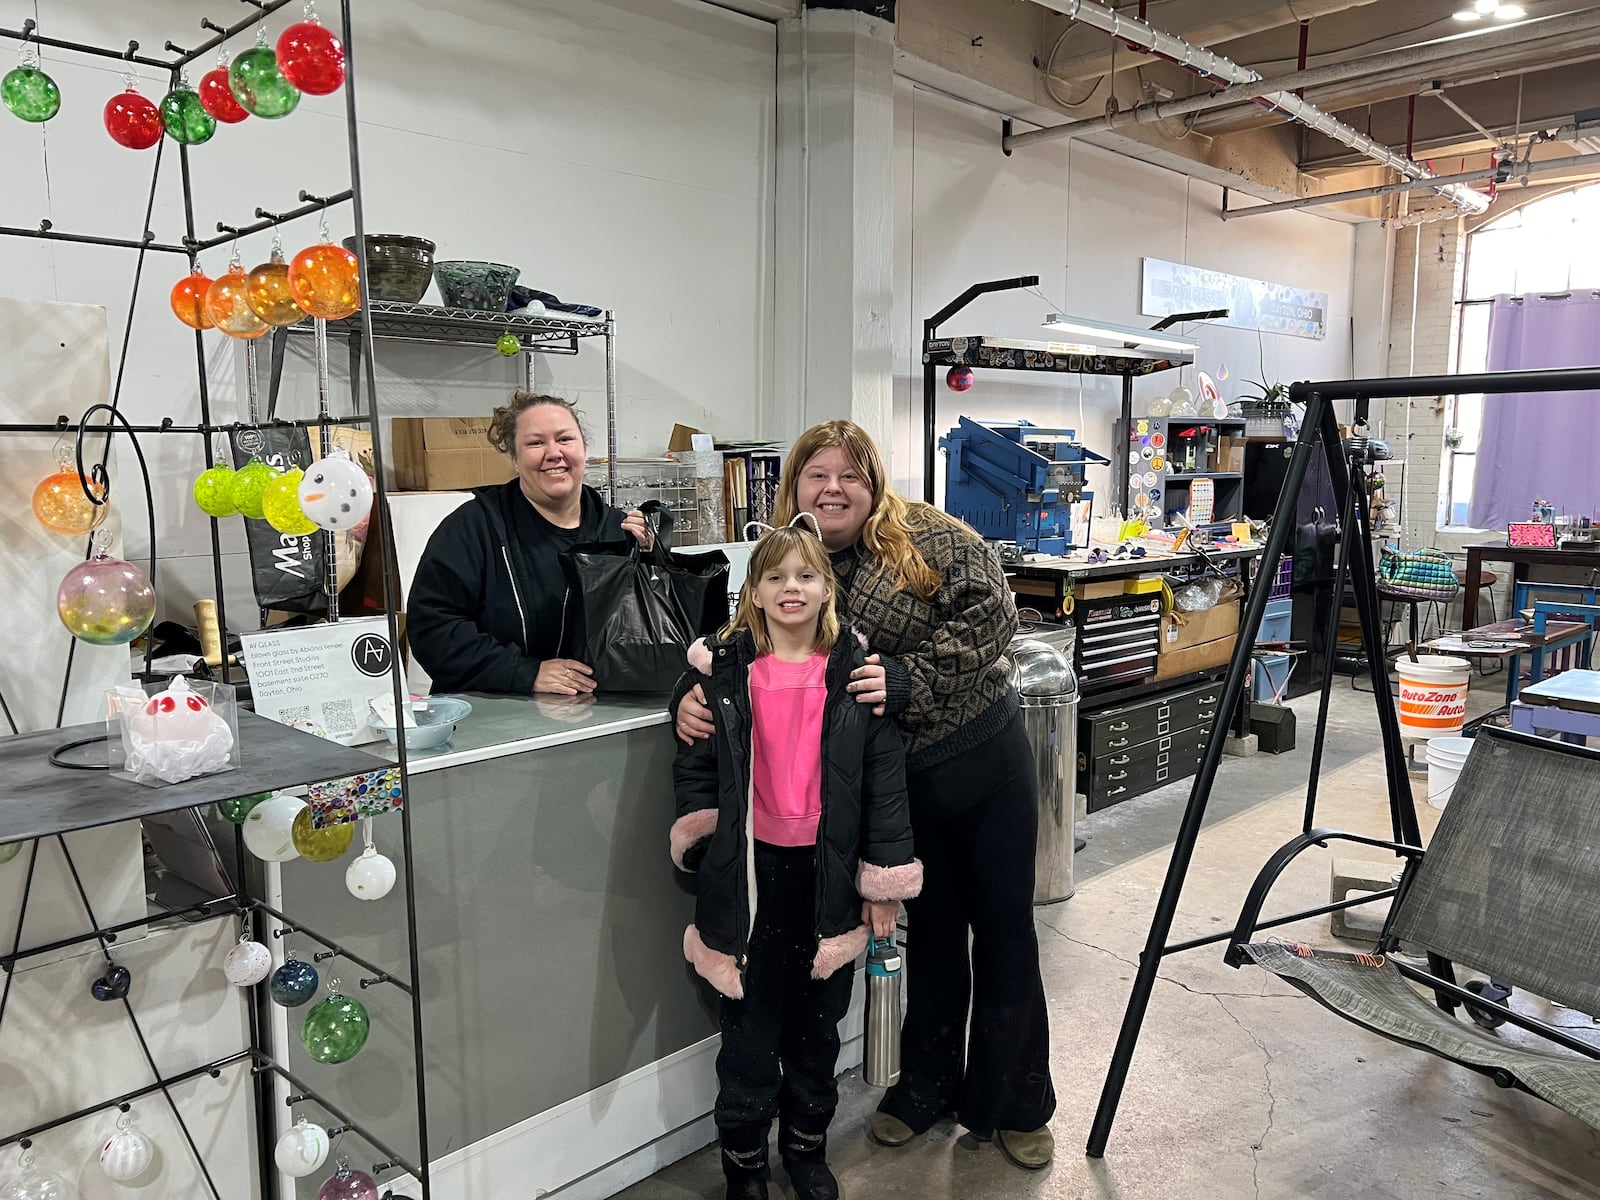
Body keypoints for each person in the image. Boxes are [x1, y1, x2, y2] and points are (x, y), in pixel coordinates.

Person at [674, 420, 1056, 1170]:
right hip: (901, 785)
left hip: (983, 761)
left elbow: (995, 621)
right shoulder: (800, 556)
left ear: (873, 481)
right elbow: (735, 639)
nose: (833, 488)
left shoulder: (931, 538)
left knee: (1006, 933)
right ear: (796, 487)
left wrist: (912, 677)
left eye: (849, 474)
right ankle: (924, 1089)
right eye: (817, 475)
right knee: (933, 939)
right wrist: (686, 695)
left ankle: (1017, 1101)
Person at [670, 518, 923, 1200]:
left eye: (806, 575)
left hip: (828, 880)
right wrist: (699, 836)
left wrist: (883, 882)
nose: (790, 588)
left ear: (826, 589)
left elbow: (884, 785)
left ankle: (807, 1150)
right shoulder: (722, 677)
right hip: (749, 884)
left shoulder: (854, 677)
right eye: (774, 576)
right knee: (750, 1036)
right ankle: (745, 1164)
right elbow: (696, 766)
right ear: (752, 592)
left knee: (816, 1032)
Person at [407, 391, 653, 696]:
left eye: (565, 439)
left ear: (584, 449)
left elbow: (646, 639)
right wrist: (524, 673)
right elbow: (433, 629)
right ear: (514, 458)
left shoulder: (618, 533)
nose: (554, 453)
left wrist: (650, 565)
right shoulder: (473, 528)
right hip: (491, 714)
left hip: (597, 714)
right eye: (536, 443)